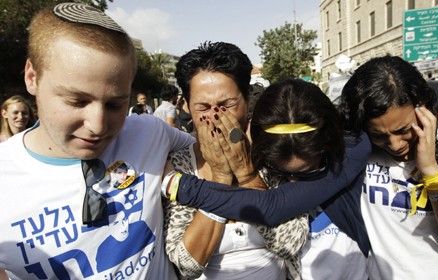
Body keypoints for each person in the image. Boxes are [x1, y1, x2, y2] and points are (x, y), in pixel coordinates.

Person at [0, 3, 194, 279]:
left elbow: (209, 154)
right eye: (77, 101)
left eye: (115, 105)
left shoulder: (150, 133)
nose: (98, 126)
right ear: (32, 77)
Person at [164, 42, 306, 279]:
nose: (215, 118)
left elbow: (291, 243)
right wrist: (220, 178)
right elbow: (186, 265)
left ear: (246, 102)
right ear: (187, 106)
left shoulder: (272, 156)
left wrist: (247, 174)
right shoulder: (181, 166)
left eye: (227, 105)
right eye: (203, 108)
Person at [338, 55, 438, 279]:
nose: (394, 145)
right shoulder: (360, 146)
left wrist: (431, 170)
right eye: (378, 135)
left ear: (422, 107)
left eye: (403, 130)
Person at [247, 79, 369, 279]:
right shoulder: (260, 175)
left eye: (306, 172)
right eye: (285, 174)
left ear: (328, 144)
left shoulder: (350, 162)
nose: (294, 184)